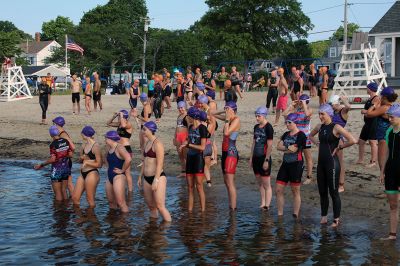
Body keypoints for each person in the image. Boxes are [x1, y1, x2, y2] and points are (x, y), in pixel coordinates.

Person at [309, 104, 356, 227]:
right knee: (322, 192)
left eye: (322, 114)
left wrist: (340, 146)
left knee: (333, 193)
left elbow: (352, 140)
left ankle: (336, 219)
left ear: (329, 114)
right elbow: (310, 135)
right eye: (319, 114)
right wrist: (317, 143)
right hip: (321, 165)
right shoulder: (319, 127)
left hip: (332, 164)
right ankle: (324, 217)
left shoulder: (336, 127)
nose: (320, 117)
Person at [138, 121, 172, 222]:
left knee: (160, 206)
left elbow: (160, 163)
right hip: (146, 178)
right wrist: (140, 176)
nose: (143, 131)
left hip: (158, 177)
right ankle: (153, 230)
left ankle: (167, 229)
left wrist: (156, 180)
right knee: (151, 206)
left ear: (151, 130)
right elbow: (144, 161)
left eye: (145, 129)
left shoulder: (158, 144)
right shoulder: (147, 142)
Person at [276, 113, 307, 218]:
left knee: (295, 190)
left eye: (289, 122)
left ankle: (295, 213)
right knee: (279, 189)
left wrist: (285, 148)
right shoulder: (286, 134)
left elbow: (294, 149)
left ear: (295, 123)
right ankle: (280, 214)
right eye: (286, 122)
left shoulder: (301, 135)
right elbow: (278, 146)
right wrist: (287, 148)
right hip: (285, 164)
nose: (287, 124)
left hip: (296, 164)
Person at [212, 101, 240, 210]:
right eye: (226, 109)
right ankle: (231, 205)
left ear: (233, 110)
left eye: (228, 109)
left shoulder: (236, 120)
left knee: (230, 181)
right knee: (226, 181)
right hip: (224, 153)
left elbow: (226, 133)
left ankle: (233, 208)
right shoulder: (228, 118)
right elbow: (212, 113)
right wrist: (224, 110)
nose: (227, 111)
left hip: (231, 153)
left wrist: (227, 119)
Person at [179, 107, 208, 212]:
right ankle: (190, 212)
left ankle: (203, 211)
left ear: (193, 117)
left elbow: (202, 147)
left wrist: (188, 145)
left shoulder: (202, 128)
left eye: (189, 116)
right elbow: (189, 140)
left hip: (198, 159)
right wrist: (184, 144)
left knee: (199, 186)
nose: (187, 118)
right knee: (190, 187)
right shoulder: (190, 127)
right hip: (190, 159)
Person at [365, 87, 398, 178]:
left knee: (382, 165)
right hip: (389, 137)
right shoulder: (393, 107)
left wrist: (374, 105)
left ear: (384, 97)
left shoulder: (384, 107)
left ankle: (389, 189)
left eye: (381, 96)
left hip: (383, 139)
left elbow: (369, 114)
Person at [34, 126, 73, 201]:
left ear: (51, 135)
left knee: (58, 193)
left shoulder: (53, 144)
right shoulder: (66, 141)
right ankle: (66, 209)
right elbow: (70, 155)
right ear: (58, 132)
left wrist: (41, 165)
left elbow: (53, 159)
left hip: (57, 170)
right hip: (66, 168)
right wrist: (63, 155)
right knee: (64, 190)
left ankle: (58, 211)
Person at [379, 103, 400, 240]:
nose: (389, 119)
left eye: (392, 117)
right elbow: (386, 153)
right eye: (389, 117)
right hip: (391, 171)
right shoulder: (389, 131)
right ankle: (392, 234)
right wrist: (382, 171)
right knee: (393, 205)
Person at [283, 94, 314, 184]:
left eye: (301, 101)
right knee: (295, 156)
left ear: (306, 102)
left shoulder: (310, 110)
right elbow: (284, 114)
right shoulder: (296, 110)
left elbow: (307, 114)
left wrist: (304, 103)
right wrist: (290, 106)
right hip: (296, 136)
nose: (299, 103)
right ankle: (294, 174)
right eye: (299, 101)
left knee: (308, 157)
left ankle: (309, 176)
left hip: (305, 137)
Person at [249, 107, 274, 210]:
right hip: (256, 158)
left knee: (266, 183)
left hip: (264, 158)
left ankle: (267, 205)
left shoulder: (268, 127)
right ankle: (262, 202)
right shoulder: (256, 127)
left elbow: (270, 146)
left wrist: (266, 160)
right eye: (256, 116)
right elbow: (254, 143)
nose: (257, 118)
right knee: (260, 183)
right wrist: (251, 158)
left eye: (258, 116)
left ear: (264, 115)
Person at [72, 126, 102, 208]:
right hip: (83, 173)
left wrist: (87, 162)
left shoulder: (96, 146)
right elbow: (80, 160)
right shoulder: (83, 145)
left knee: (90, 199)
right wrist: (81, 159)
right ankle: (80, 219)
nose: (81, 135)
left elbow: (99, 164)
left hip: (92, 173)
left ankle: (92, 219)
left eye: (82, 133)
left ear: (84, 134)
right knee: (75, 198)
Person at [107, 110, 134, 192]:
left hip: (126, 148)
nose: (119, 118)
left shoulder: (128, 124)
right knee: (119, 169)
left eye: (120, 116)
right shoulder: (119, 124)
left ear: (124, 117)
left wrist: (122, 115)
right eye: (119, 116)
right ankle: (121, 187)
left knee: (127, 171)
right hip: (118, 150)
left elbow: (123, 124)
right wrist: (114, 116)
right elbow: (108, 123)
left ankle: (130, 191)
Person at [104, 131, 131, 213]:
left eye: (106, 137)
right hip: (110, 176)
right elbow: (105, 157)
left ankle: (124, 222)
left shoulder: (120, 147)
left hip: (118, 177)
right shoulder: (109, 147)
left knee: (121, 202)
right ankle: (113, 221)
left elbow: (128, 159)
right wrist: (107, 166)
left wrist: (122, 170)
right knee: (111, 202)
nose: (104, 139)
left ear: (110, 139)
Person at [329, 94, 351, 193]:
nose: (330, 106)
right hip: (330, 138)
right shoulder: (333, 111)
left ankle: (341, 184)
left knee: (340, 162)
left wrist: (343, 99)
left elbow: (348, 107)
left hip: (339, 139)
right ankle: (333, 181)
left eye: (331, 104)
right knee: (331, 161)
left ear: (336, 103)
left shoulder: (343, 111)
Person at [52, 116, 75, 196]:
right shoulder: (60, 133)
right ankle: (71, 201)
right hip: (65, 161)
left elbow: (73, 147)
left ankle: (74, 199)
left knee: (69, 183)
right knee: (67, 183)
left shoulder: (63, 134)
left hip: (66, 161)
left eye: (53, 123)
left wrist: (66, 155)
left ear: (56, 124)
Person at [357, 83, 378, 167]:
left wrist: (364, 111)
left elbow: (371, 111)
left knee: (372, 142)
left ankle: (373, 161)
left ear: (371, 89)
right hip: (367, 123)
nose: (366, 89)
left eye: (367, 88)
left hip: (373, 122)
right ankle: (361, 159)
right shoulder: (370, 98)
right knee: (361, 141)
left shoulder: (376, 99)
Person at [198, 95, 216, 186]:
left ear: (205, 102)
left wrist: (210, 136)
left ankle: (206, 177)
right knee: (202, 160)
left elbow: (213, 124)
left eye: (201, 103)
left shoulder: (209, 111)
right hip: (203, 134)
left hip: (208, 135)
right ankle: (205, 178)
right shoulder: (201, 110)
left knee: (207, 160)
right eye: (199, 103)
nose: (200, 104)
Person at [174, 101, 189, 177]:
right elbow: (177, 127)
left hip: (184, 136)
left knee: (186, 155)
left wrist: (187, 139)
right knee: (180, 155)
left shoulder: (187, 116)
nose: (180, 109)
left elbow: (189, 128)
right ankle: (183, 171)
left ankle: (188, 171)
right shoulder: (179, 116)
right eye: (179, 108)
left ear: (185, 107)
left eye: (182, 107)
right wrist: (174, 137)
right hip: (178, 137)